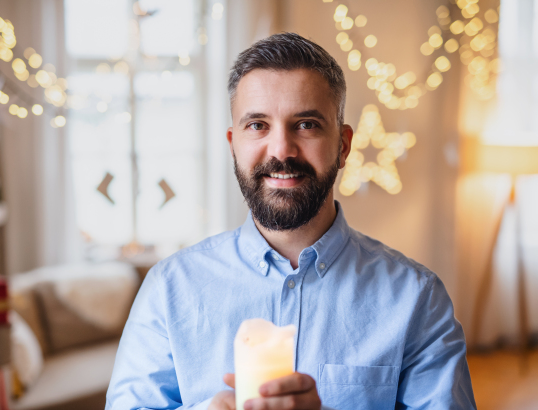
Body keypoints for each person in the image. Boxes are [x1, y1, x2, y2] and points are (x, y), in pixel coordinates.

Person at [105, 32, 476, 410]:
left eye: (306, 124)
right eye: (257, 125)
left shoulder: (417, 299)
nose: (281, 149)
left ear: (343, 145)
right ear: (233, 142)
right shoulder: (169, 289)